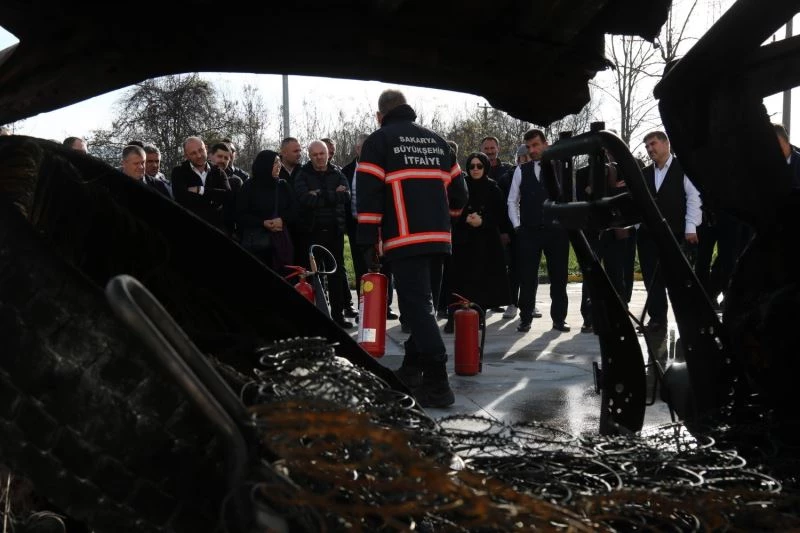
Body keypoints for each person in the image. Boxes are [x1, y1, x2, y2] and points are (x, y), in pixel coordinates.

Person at [356, 89, 467, 407]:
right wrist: (446, 222)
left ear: (380, 115)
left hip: (405, 240)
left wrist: (367, 241)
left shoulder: (378, 142)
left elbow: (369, 195)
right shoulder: (439, 142)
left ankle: (438, 384)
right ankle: (412, 368)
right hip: (439, 240)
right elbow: (460, 195)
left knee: (417, 310)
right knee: (425, 310)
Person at [637, 130, 702, 331]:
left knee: (678, 280)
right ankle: (657, 320)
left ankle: (686, 321)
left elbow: (693, 197)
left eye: (653, 144)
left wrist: (691, 227)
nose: (650, 149)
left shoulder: (683, 168)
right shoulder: (644, 173)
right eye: (647, 146)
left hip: (675, 233)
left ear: (666, 144)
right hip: (648, 235)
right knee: (651, 279)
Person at [507, 129, 571, 333]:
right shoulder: (521, 170)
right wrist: (517, 225)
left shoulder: (562, 167)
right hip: (529, 231)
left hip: (557, 232)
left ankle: (559, 319)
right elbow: (512, 200)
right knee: (527, 277)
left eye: (536, 145)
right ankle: (525, 318)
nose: (532, 150)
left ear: (546, 143)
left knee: (559, 277)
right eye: (529, 146)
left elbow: (571, 197)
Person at [442, 151, 510, 333]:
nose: (475, 169)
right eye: (471, 166)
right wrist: (464, 218)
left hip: (485, 243)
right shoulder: (462, 185)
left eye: (479, 166)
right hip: (463, 242)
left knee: (482, 281)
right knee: (458, 280)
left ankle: (478, 317)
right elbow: (453, 206)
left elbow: (500, 214)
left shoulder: (493, 188)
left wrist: (483, 220)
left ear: (485, 167)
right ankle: (453, 318)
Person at [294, 140, 354, 329]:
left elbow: (346, 197)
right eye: (315, 154)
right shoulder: (302, 174)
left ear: (328, 153)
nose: (319, 157)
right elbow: (304, 199)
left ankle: (338, 316)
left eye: (322, 153)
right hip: (312, 233)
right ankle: (317, 318)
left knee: (336, 276)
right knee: (314, 276)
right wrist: (332, 195)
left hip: (334, 232)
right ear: (309, 156)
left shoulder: (338, 173)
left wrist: (319, 194)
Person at [235, 150, 295, 271]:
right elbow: (240, 215)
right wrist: (262, 223)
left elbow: (295, 210)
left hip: (280, 246)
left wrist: (282, 220)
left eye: (280, 162)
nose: (280, 165)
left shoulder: (283, 186)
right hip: (256, 247)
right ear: (265, 165)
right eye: (275, 162)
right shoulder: (249, 187)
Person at [171, 136, 232, 232]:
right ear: (186, 156)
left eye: (201, 150)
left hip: (216, 229)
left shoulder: (218, 171)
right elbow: (182, 199)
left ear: (206, 148)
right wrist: (213, 198)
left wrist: (200, 190)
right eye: (193, 153)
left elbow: (228, 196)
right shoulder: (178, 172)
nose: (199, 155)